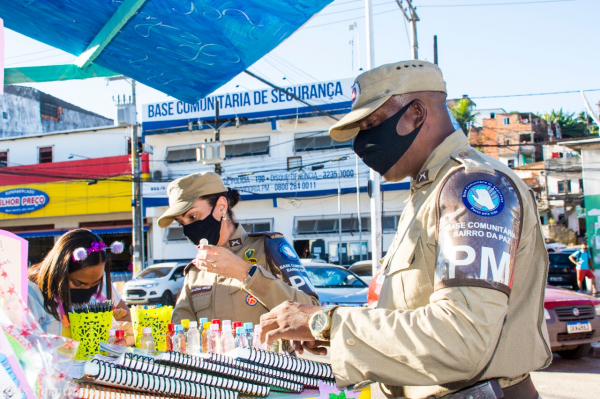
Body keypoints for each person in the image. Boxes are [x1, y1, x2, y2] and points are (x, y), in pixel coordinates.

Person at [259, 61, 551, 398]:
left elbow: (460, 341)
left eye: (372, 124)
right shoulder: (429, 191)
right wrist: (335, 334)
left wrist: (326, 322)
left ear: (415, 114)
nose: (362, 143)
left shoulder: (471, 188)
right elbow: (416, 310)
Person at [157, 172, 320, 332]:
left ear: (221, 206)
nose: (188, 229)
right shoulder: (196, 271)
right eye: (181, 223)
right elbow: (181, 334)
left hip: (268, 359)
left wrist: (247, 273)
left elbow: (313, 312)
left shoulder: (267, 247)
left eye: (193, 216)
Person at [27, 229, 133, 343]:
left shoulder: (102, 281)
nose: (87, 290)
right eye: (78, 283)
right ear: (60, 270)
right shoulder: (31, 293)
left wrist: (120, 329)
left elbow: (126, 318)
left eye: (95, 283)